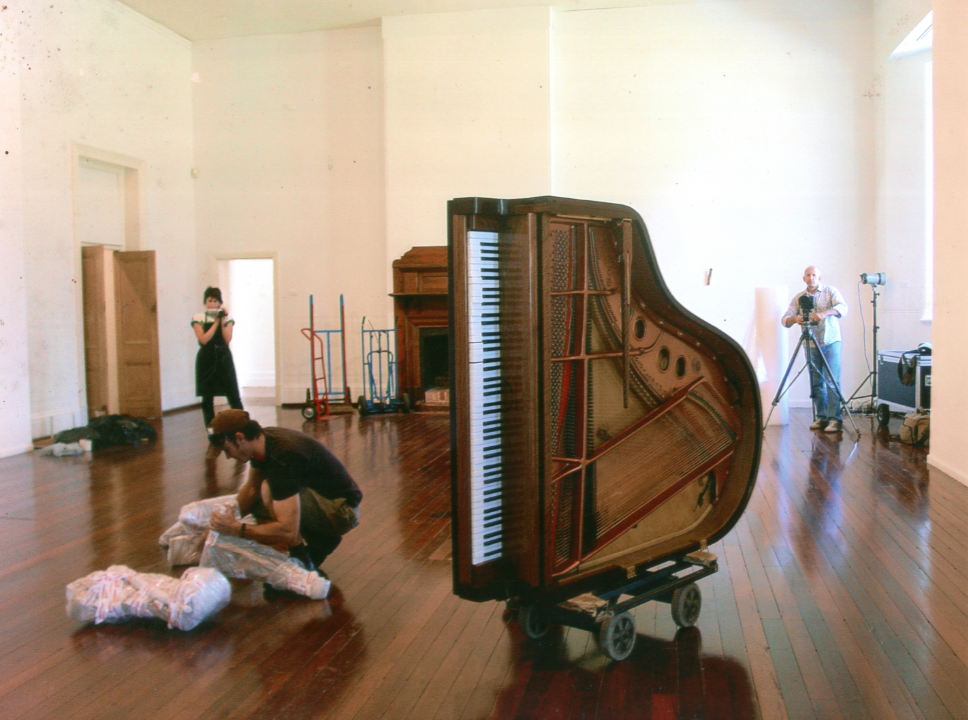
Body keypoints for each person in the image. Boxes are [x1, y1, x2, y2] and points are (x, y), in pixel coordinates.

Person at [206, 409, 361, 575]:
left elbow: (287, 531)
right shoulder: (262, 441)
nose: (228, 457)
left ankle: (301, 562)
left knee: (269, 490)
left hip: (343, 511)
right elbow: (251, 488)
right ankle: (320, 541)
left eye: (226, 449)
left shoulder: (284, 456)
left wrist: (235, 528)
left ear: (239, 438)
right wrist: (218, 526)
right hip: (324, 500)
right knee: (257, 500)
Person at [781, 266, 848, 433]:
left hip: (831, 341)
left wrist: (824, 314)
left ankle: (835, 419)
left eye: (814, 275)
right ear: (804, 278)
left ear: (820, 277)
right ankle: (821, 417)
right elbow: (784, 320)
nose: (811, 278)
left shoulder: (830, 291)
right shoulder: (799, 298)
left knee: (832, 380)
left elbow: (843, 308)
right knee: (816, 381)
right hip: (810, 343)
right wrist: (795, 319)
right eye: (808, 275)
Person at [192, 287, 243, 459]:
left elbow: (227, 339)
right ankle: (214, 439)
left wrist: (222, 319)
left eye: (215, 301)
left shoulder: (228, 320)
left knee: (234, 397)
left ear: (220, 303)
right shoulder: (198, 318)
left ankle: (243, 435)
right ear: (205, 302)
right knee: (207, 401)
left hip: (223, 359)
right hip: (206, 361)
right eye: (209, 301)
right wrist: (214, 322)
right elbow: (203, 340)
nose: (212, 304)